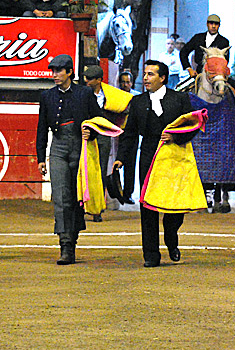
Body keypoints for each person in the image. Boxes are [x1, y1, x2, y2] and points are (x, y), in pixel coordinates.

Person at [114, 60, 194, 267]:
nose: (146, 78)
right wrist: (121, 158)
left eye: (151, 74)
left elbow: (192, 126)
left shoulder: (180, 99)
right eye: (146, 74)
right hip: (149, 153)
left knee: (174, 205)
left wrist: (176, 138)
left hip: (174, 154)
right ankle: (150, 254)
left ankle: (170, 235)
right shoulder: (138, 102)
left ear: (163, 78)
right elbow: (129, 133)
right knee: (148, 205)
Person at [36, 55, 102, 265]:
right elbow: (41, 129)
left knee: (75, 198)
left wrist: (91, 133)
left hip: (80, 147)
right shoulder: (47, 96)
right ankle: (65, 245)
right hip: (58, 146)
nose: (54, 75)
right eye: (53, 71)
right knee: (61, 198)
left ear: (69, 72)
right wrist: (40, 157)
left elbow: (99, 120)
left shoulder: (85, 93)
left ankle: (72, 240)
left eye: (58, 71)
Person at [83, 65, 113, 222]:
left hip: (103, 136)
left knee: (100, 171)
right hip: (86, 136)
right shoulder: (82, 94)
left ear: (99, 80)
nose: (86, 81)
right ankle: (83, 206)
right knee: (84, 171)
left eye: (90, 79)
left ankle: (97, 208)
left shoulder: (110, 95)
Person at [116, 70, 139, 204]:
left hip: (132, 134)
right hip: (117, 133)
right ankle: (116, 192)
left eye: (128, 82)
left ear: (132, 83)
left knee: (130, 165)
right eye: (123, 82)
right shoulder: (115, 96)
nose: (125, 84)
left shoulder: (136, 97)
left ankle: (128, 193)